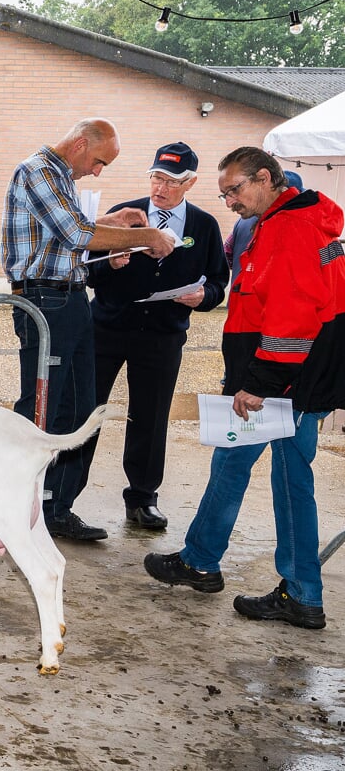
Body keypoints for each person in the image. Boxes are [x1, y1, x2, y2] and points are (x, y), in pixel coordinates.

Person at [145, 147, 344, 630]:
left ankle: (301, 593)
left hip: (286, 381)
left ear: (265, 177)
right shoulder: (276, 221)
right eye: (224, 194)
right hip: (275, 377)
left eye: (234, 190)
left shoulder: (291, 227)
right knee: (231, 461)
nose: (229, 201)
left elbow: (292, 318)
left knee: (291, 482)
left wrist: (260, 384)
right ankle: (200, 560)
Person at [1, 118, 176, 542]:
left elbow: (64, 240)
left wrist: (114, 227)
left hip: (69, 296)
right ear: (80, 143)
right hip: (46, 299)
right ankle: (9, 505)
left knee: (79, 408)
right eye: (98, 162)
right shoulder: (38, 170)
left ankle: (55, 507)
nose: (97, 172)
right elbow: (76, 232)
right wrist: (144, 235)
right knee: (41, 408)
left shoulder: (59, 175)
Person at [76, 142, 229, 531]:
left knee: (151, 416)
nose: (161, 188)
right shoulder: (125, 214)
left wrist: (202, 297)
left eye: (172, 181)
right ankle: (62, 497)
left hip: (163, 335)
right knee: (87, 411)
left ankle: (142, 499)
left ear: (190, 182)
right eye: (157, 177)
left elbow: (217, 282)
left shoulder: (203, 225)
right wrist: (110, 262)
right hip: (108, 328)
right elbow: (88, 273)